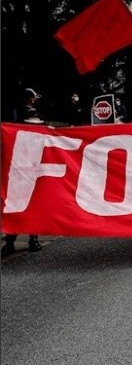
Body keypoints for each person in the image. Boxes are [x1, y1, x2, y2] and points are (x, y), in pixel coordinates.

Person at [2, 88, 44, 257]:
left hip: (16, 163)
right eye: (32, 98)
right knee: (29, 202)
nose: (33, 100)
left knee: (15, 202)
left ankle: (11, 241)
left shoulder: (11, 113)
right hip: (26, 162)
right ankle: (31, 239)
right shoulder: (27, 113)